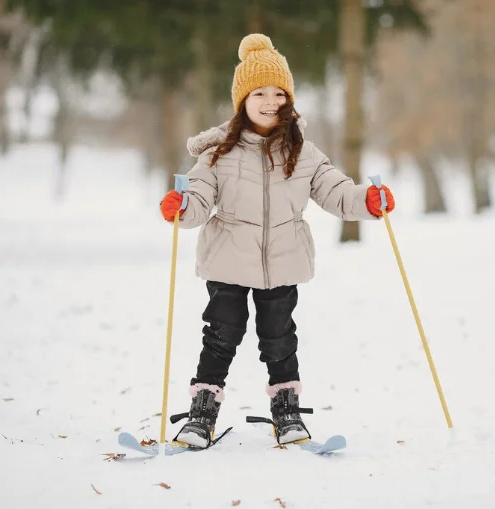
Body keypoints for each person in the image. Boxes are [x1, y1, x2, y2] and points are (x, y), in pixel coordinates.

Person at [158, 33, 396, 448]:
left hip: (284, 259)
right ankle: (201, 414)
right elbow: (197, 199)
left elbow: (338, 193)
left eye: (279, 93)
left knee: (279, 337)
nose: (271, 101)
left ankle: (286, 410)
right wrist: (182, 206)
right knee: (222, 333)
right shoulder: (218, 154)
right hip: (228, 259)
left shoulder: (303, 153)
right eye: (260, 93)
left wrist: (368, 201)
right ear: (242, 100)